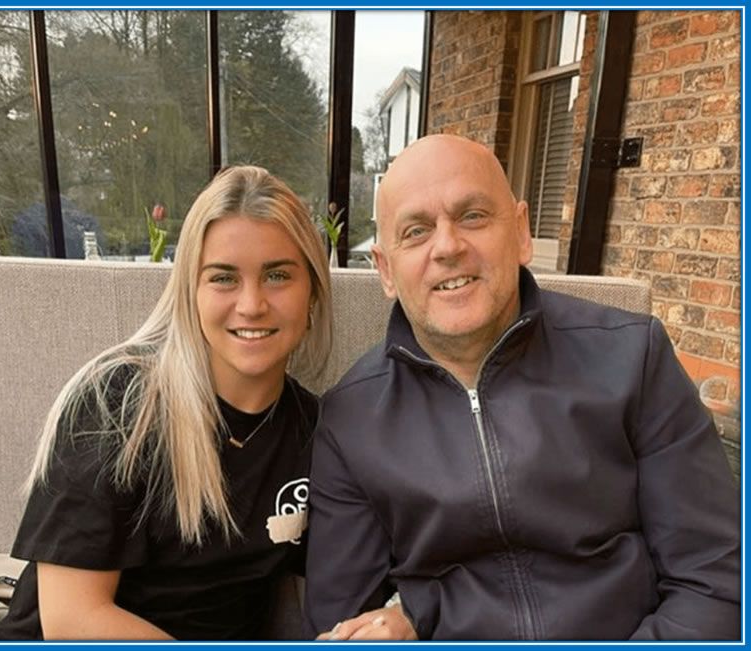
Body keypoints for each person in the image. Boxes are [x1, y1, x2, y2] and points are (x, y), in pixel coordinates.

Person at [304, 134, 740, 640]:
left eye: (472, 216)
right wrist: (413, 609)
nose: (447, 247)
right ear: (385, 269)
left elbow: (714, 575)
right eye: (417, 230)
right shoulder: (350, 418)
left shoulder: (631, 357)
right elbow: (343, 621)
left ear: (521, 232)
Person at [0, 165, 334, 640]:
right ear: (189, 292)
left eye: (277, 275)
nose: (252, 304)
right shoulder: (116, 404)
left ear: (312, 291)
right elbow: (72, 618)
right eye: (223, 278)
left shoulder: (317, 430)